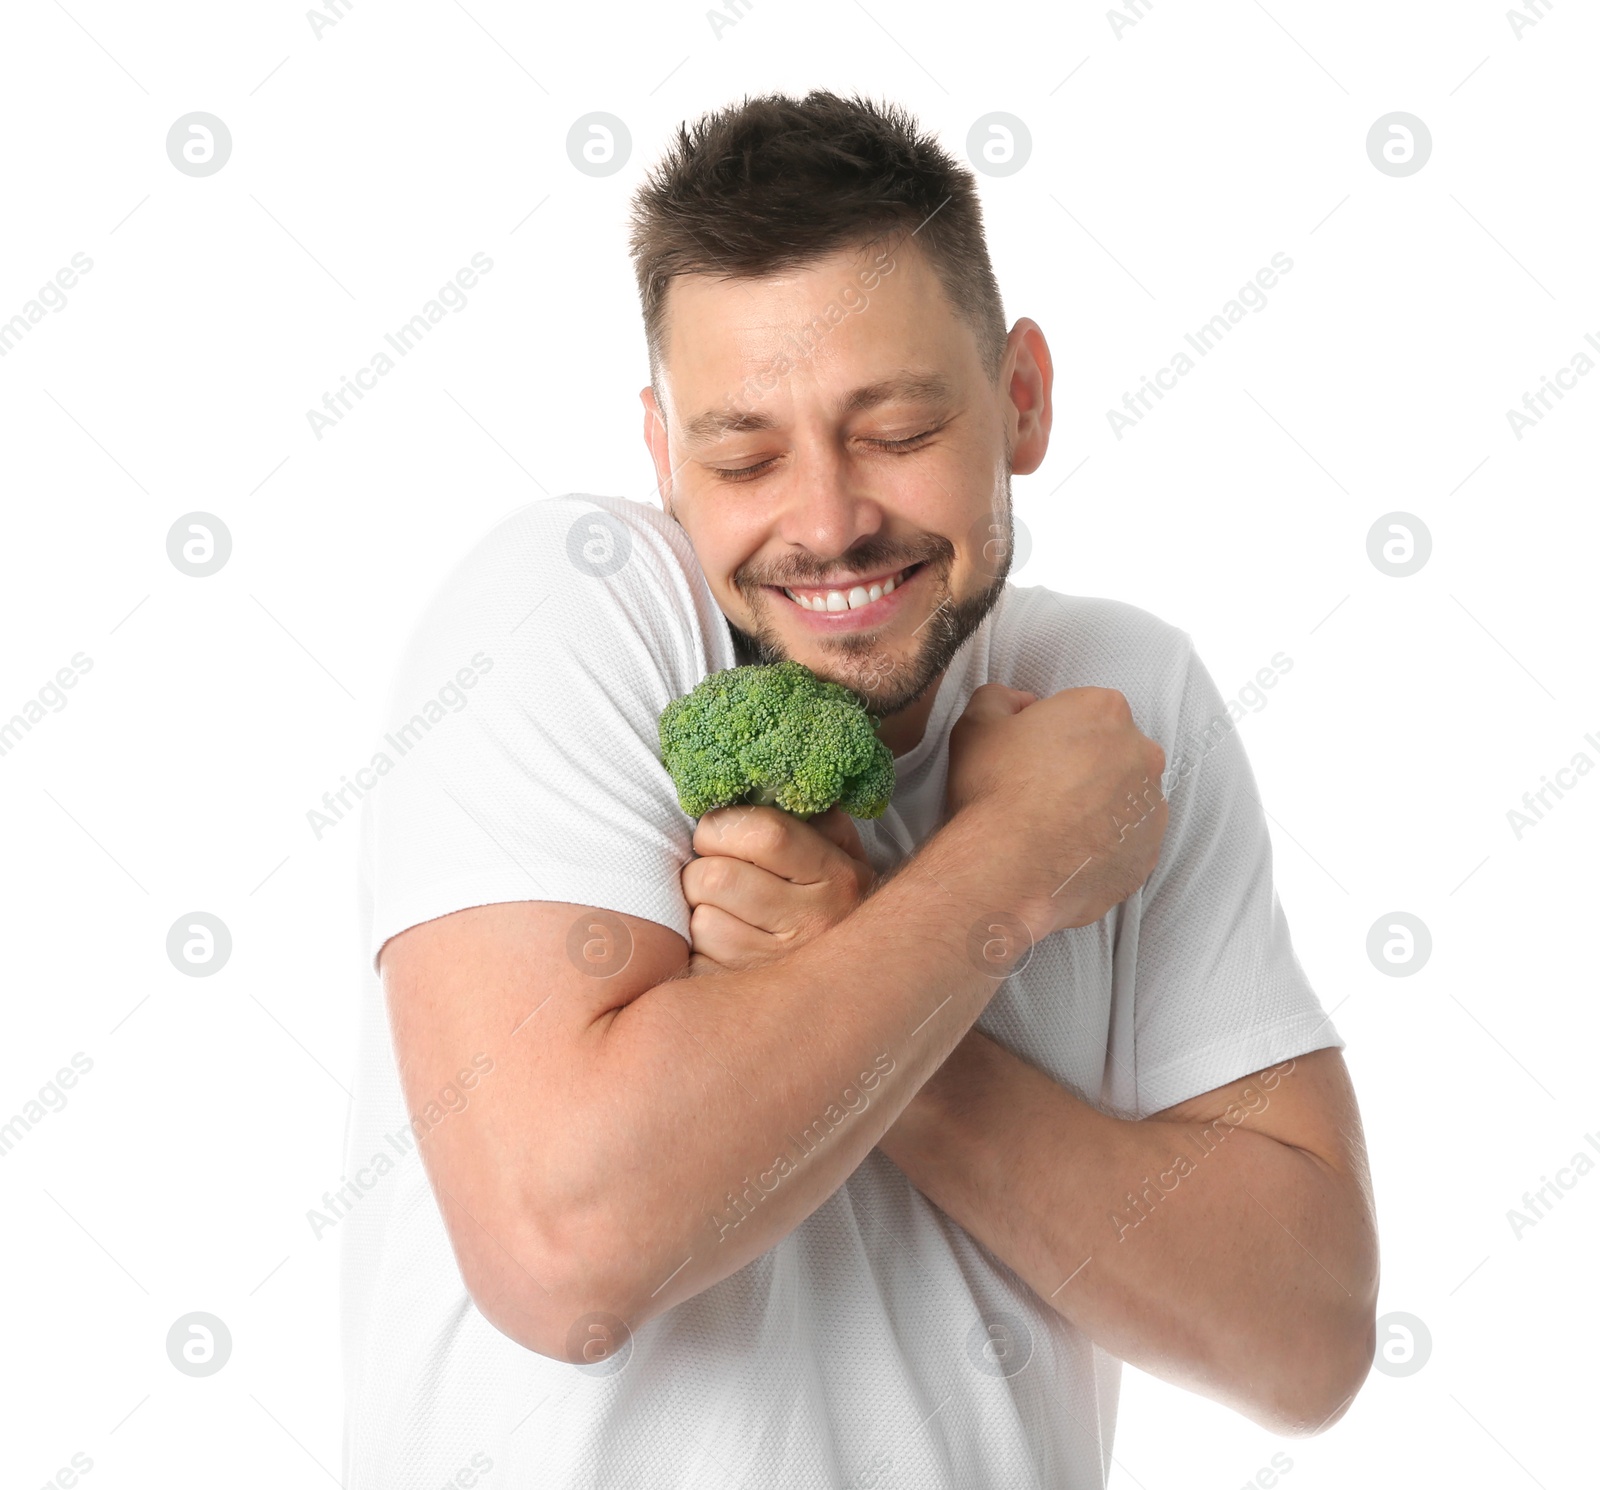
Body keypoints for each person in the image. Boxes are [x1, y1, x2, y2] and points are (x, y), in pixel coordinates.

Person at [340, 89, 1379, 1488]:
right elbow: (567, 1251)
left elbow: (1305, 1336)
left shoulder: (1122, 698)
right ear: (660, 455)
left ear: (1021, 398)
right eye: (744, 453)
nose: (826, 520)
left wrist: (878, 961)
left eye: (893, 428)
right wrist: (1006, 867)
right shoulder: (569, 607)